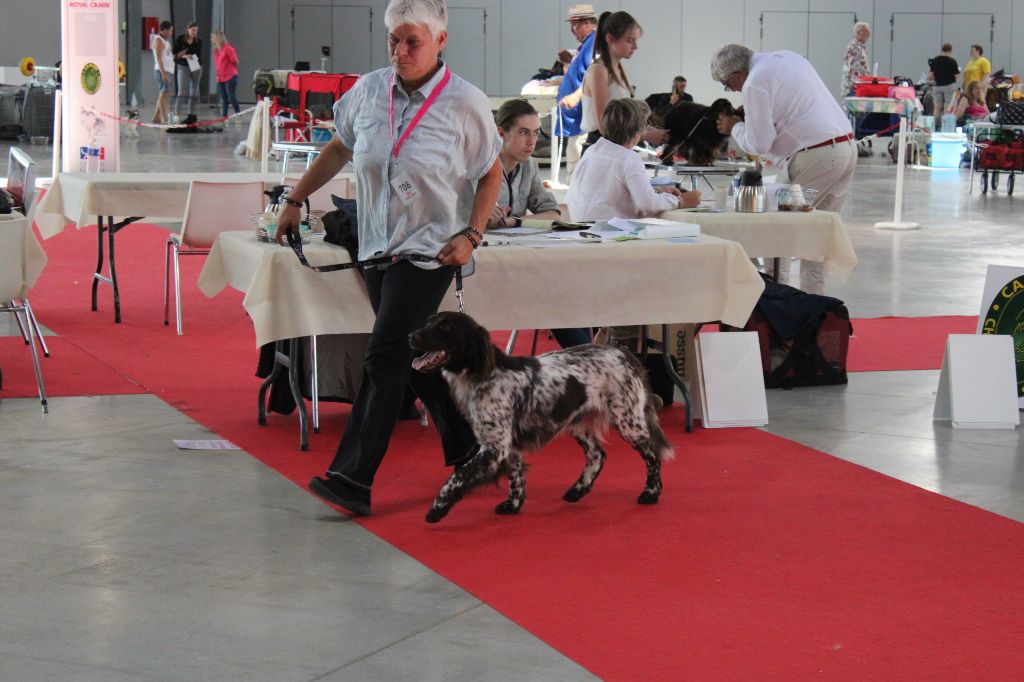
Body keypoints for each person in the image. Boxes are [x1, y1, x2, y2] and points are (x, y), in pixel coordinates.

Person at [276, 0, 503, 516]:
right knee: (412, 355)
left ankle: (352, 478)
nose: (400, 51)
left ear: (440, 41)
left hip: (431, 251)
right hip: (376, 245)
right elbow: (339, 148)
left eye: (412, 41)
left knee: (383, 356)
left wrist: (472, 234)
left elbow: (491, 173)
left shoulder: (465, 102)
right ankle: (472, 448)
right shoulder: (368, 90)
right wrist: (295, 199)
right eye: (393, 41)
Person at [713, 44, 856, 295]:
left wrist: (734, 126)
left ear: (737, 74)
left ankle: (778, 303)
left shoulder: (754, 82)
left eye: (727, 84)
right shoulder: (789, 58)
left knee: (776, 231)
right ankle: (816, 305)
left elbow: (760, 144)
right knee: (817, 237)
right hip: (845, 149)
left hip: (816, 156)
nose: (733, 90)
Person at [492, 98, 590, 349]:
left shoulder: (529, 167)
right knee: (555, 295)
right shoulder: (478, 167)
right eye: (524, 132)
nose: (532, 142)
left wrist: (514, 221)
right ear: (501, 133)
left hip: (518, 261)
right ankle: (589, 356)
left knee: (573, 291)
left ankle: (589, 355)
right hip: (484, 265)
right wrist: (478, 217)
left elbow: (552, 214)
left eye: (536, 133)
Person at [567, 98, 700, 221]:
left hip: (578, 224)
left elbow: (611, 192)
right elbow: (647, 204)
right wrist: (681, 201)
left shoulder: (593, 150)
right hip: (607, 230)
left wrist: (657, 193)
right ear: (638, 130)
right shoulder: (628, 158)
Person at [579, 11, 667, 156]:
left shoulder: (618, 69)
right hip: (601, 147)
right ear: (610, 39)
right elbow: (604, 127)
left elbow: (621, 120)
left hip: (615, 147)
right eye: (629, 40)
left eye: (635, 40)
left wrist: (645, 128)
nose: (635, 46)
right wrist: (644, 134)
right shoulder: (598, 71)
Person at [554, 4, 598, 177]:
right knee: (574, 149)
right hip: (578, 112)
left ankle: (575, 185)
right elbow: (583, 71)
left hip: (583, 111)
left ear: (587, 22)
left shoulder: (595, 43)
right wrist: (569, 61)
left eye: (575, 25)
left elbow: (594, 75)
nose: (572, 30)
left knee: (577, 150)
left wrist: (575, 96)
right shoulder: (587, 44)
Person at [173, 21, 203, 119]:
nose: (194, 32)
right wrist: (185, 56)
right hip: (183, 66)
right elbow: (175, 53)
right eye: (193, 30)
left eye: (196, 30)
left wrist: (193, 57)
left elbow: (198, 54)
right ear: (188, 30)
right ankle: (177, 113)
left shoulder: (198, 41)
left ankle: (191, 113)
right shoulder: (181, 39)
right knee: (182, 91)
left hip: (195, 66)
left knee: (194, 91)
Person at [928, 43, 959, 127]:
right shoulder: (952, 61)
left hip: (937, 86)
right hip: (949, 85)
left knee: (937, 106)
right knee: (947, 105)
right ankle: (945, 126)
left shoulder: (935, 60)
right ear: (950, 51)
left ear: (942, 50)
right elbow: (956, 76)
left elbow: (930, 75)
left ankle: (935, 125)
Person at [211, 31, 240, 118]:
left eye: (212, 37)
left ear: (217, 38)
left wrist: (231, 70)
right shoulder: (216, 51)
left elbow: (235, 62)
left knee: (231, 96)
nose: (211, 39)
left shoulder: (228, 49)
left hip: (230, 76)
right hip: (220, 77)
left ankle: (238, 113)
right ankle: (224, 115)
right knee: (224, 97)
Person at [150, 20, 174, 124]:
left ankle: (156, 116)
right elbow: (159, 58)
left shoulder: (165, 41)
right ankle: (164, 117)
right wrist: (163, 73)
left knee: (164, 93)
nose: (171, 33)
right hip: (163, 71)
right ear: (164, 30)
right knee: (164, 93)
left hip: (168, 70)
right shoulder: (158, 40)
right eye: (170, 30)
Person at [841, 22, 871, 97]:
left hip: (859, 87)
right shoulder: (853, 48)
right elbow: (852, 70)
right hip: (855, 89)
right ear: (859, 32)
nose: (869, 35)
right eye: (867, 32)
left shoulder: (860, 47)